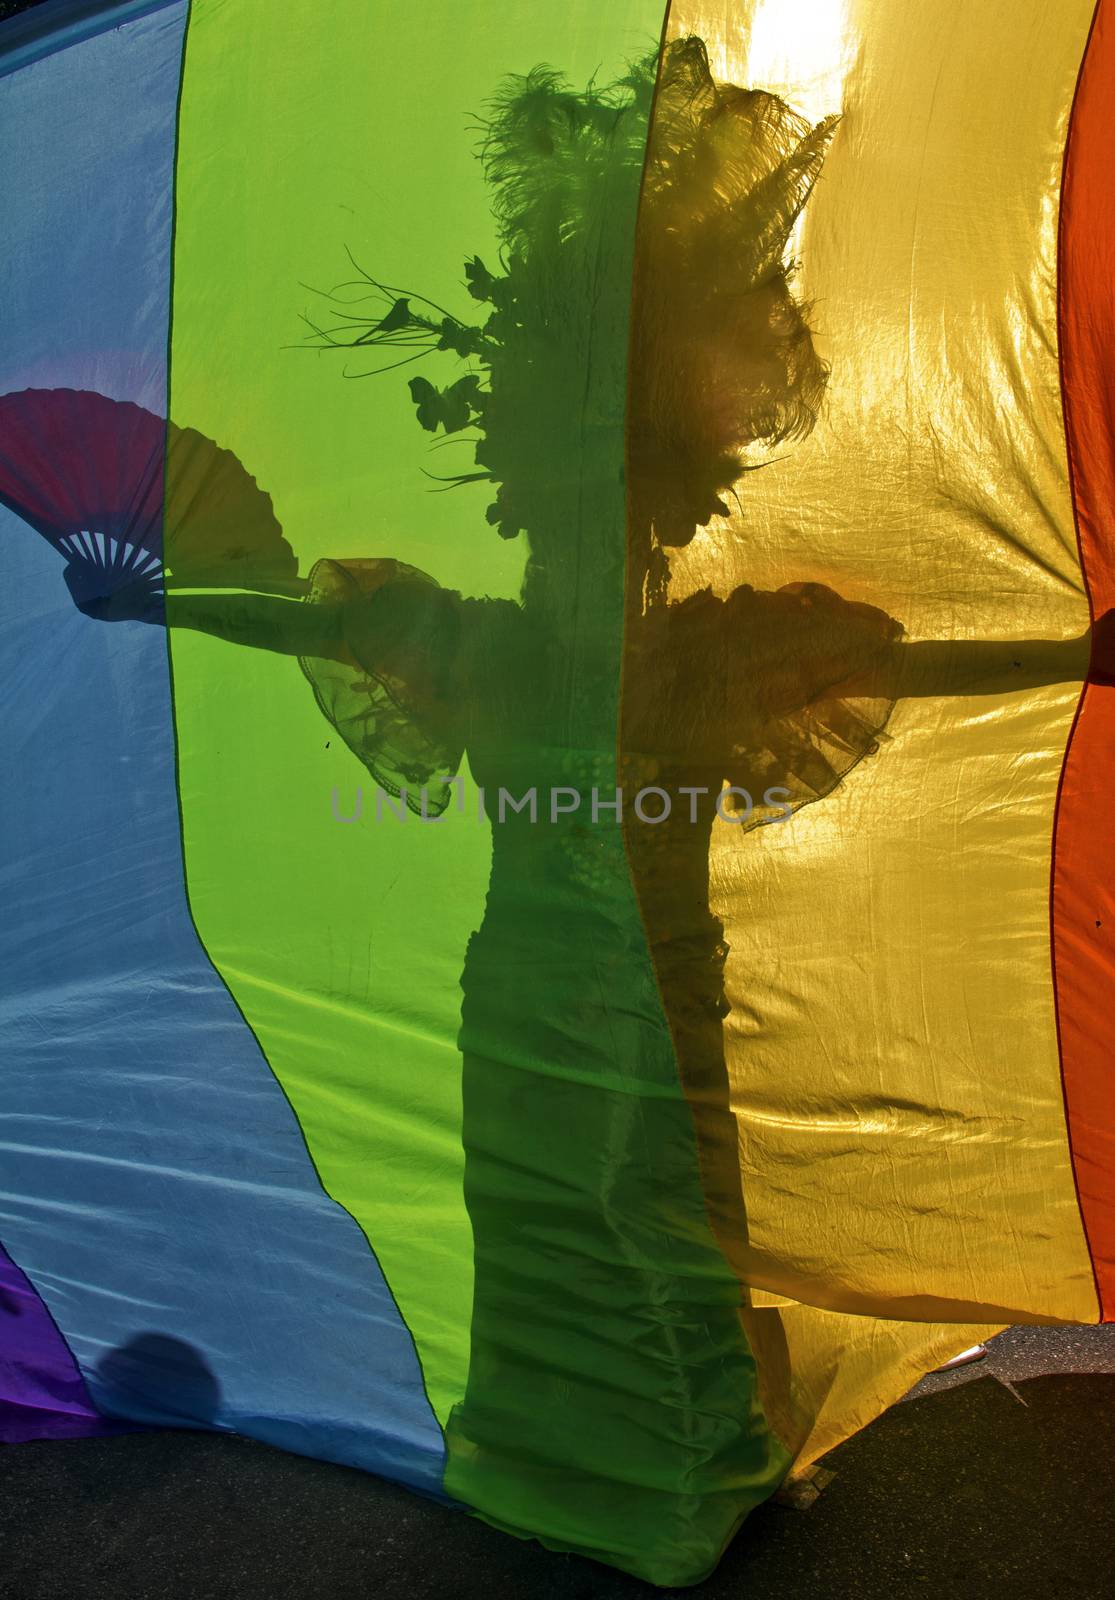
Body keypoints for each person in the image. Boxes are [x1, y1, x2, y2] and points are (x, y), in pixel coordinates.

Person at [44, 34, 1100, 1577]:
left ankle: (683, 1482)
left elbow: (922, 663)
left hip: (655, 997)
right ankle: (568, 1469)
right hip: (525, 997)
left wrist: (1076, 652)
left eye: (615, 523)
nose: (592, 547)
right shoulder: (496, 641)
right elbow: (314, 620)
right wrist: (161, 605)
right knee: (547, 1226)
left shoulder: (691, 650)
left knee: (658, 1225)